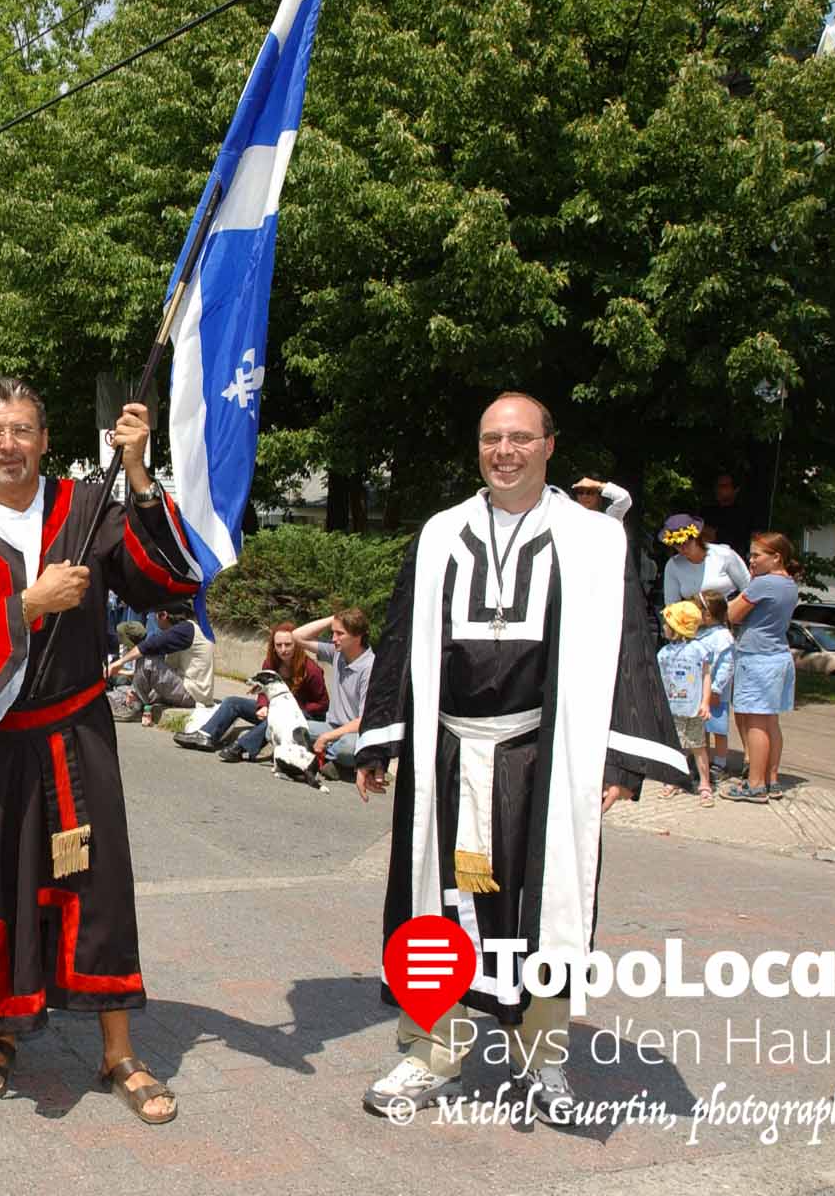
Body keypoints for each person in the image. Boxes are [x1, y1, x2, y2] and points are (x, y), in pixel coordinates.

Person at [354, 392, 686, 1124]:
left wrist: (621, 762)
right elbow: (403, 632)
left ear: (548, 446)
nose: (504, 451)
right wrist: (381, 738)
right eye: (491, 439)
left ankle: (546, 1058)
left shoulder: (596, 540)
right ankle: (429, 1048)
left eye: (519, 438)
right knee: (433, 907)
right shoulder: (440, 534)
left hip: (544, 756)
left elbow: (630, 644)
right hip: (447, 755)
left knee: (544, 908)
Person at [0, 378, 198, 1124]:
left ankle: (119, 1051)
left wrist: (135, 475)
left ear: (44, 437)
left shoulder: (85, 509)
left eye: (23, 430)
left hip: (75, 737)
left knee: (96, 889)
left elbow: (162, 579)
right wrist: (27, 606)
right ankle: (1, 1031)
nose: (9, 445)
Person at [173, 622, 329, 762]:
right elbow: (263, 689)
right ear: (273, 646)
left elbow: (322, 704)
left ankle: (240, 748)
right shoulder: (270, 663)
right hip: (274, 708)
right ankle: (206, 736)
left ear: (297, 645)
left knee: (277, 718)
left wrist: (289, 711)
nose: (283, 649)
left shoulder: (311, 670)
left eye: (288, 644)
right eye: (279, 645)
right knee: (232, 702)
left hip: (304, 717)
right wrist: (263, 705)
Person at [723, 532, 801, 802]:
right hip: (778, 655)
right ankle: (772, 778)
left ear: (776, 557)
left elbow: (731, 614)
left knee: (756, 723)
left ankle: (755, 784)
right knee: (770, 722)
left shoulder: (762, 584)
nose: (751, 560)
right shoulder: (788, 583)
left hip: (756, 658)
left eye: (757, 555)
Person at [289, 608, 377, 776]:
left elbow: (364, 720)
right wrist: (334, 618)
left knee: (347, 747)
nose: (333, 639)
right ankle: (332, 761)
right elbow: (297, 636)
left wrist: (325, 738)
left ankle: (325, 758)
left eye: (339, 633)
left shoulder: (370, 667)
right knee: (292, 728)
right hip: (331, 727)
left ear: (357, 636)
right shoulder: (337, 652)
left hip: (355, 734)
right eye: (333, 632)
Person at [657, 601, 719, 805]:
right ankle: (673, 780)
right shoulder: (663, 653)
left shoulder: (698, 650)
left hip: (693, 708)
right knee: (675, 747)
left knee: (698, 746)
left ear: (677, 627)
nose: (663, 627)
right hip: (672, 708)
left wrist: (706, 702)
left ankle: (704, 784)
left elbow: (706, 676)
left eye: (667, 624)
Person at [107, 608, 198, 725]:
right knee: (121, 691)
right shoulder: (179, 632)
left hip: (191, 693)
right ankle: (124, 701)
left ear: (164, 615)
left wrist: (119, 663)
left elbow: (147, 647)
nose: (153, 620)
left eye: (154, 616)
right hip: (178, 687)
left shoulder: (186, 629)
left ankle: (135, 709)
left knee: (147, 658)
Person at [659, 514, 751, 608]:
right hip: (697, 619)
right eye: (677, 544)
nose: (683, 548)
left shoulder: (724, 554)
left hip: (732, 613)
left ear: (696, 537)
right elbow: (672, 605)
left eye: (687, 542)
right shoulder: (673, 565)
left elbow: (748, 587)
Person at [695, 590, 737, 775]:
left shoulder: (723, 636)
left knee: (718, 729)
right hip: (698, 691)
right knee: (700, 726)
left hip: (714, 694)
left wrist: (716, 689)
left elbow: (727, 665)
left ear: (708, 614)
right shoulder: (700, 633)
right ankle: (701, 758)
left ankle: (720, 762)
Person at [700, 471, 755, 559]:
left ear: (735, 490)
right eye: (717, 486)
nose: (718, 489)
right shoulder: (706, 511)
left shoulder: (743, 514)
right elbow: (698, 537)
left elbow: (732, 540)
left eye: (724, 486)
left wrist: (710, 533)